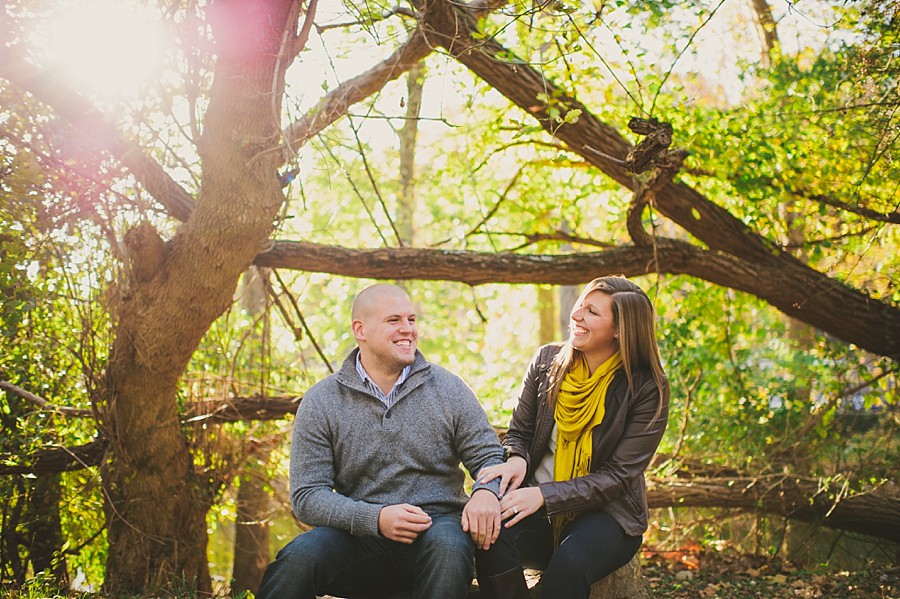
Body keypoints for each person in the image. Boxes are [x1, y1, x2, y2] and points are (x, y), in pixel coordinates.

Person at [257, 284, 504, 599]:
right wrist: (374, 518)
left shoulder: (449, 389)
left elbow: (489, 457)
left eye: (412, 320)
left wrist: (485, 492)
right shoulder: (322, 401)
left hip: (438, 528)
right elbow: (307, 495)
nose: (408, 329)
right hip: (358, 537)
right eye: (394, 320)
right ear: (360, 329)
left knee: (448, 549)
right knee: (298, 558)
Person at [475, 275, 670, 599]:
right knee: (487, 533)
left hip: (608, 515)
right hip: (534, 504)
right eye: (580, 306)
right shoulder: (547, 361)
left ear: (620, 329)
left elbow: (620, 477)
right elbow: (520, 433)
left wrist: (544, 496)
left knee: (571, 562)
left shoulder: (647, 386)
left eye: (592, 312)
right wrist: (517, 459)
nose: (576, 315)